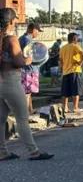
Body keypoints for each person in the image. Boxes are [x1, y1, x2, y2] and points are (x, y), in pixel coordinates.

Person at [0, 8, 54, 161]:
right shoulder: (11, 39)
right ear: (11, 21)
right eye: (15, 19)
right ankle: (33, 151)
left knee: (0, 119)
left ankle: (2, 151)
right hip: (11, 81)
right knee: (22, 118)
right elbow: (18, 62)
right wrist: (27, 61)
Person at [19, 23, 43, 114]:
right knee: (27, 93)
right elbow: (30, 56)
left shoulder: (21, 38)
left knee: (28, 92)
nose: (38, 33)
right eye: (38, 31)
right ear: (34, 30)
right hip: (29, 70)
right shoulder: (28, 40)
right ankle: (24, 113)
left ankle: (30, 109)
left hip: (24, 69)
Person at [59, 33, 83, 113]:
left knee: (65, 92)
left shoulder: (63, 48)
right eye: (77, 39)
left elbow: (61, 60)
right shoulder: (75, 46)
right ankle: (75, 107)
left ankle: (65, 108)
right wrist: (80, 62)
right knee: (76, 90)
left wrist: (62, 68)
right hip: (75, 70)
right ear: (75, 39)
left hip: (65, 72)